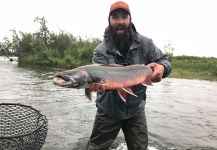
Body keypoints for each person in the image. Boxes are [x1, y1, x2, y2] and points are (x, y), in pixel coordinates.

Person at [87, 1, 172, 150]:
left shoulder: (146, 44)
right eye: (115, 17)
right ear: (109, 21)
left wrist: (163, 68)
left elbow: (164, 61)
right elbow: (97, 79)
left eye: (124, 16)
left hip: (136, 110)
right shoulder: (100, 50)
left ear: (130, 19)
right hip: (108, 110)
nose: (120, 21)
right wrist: (94, 85)